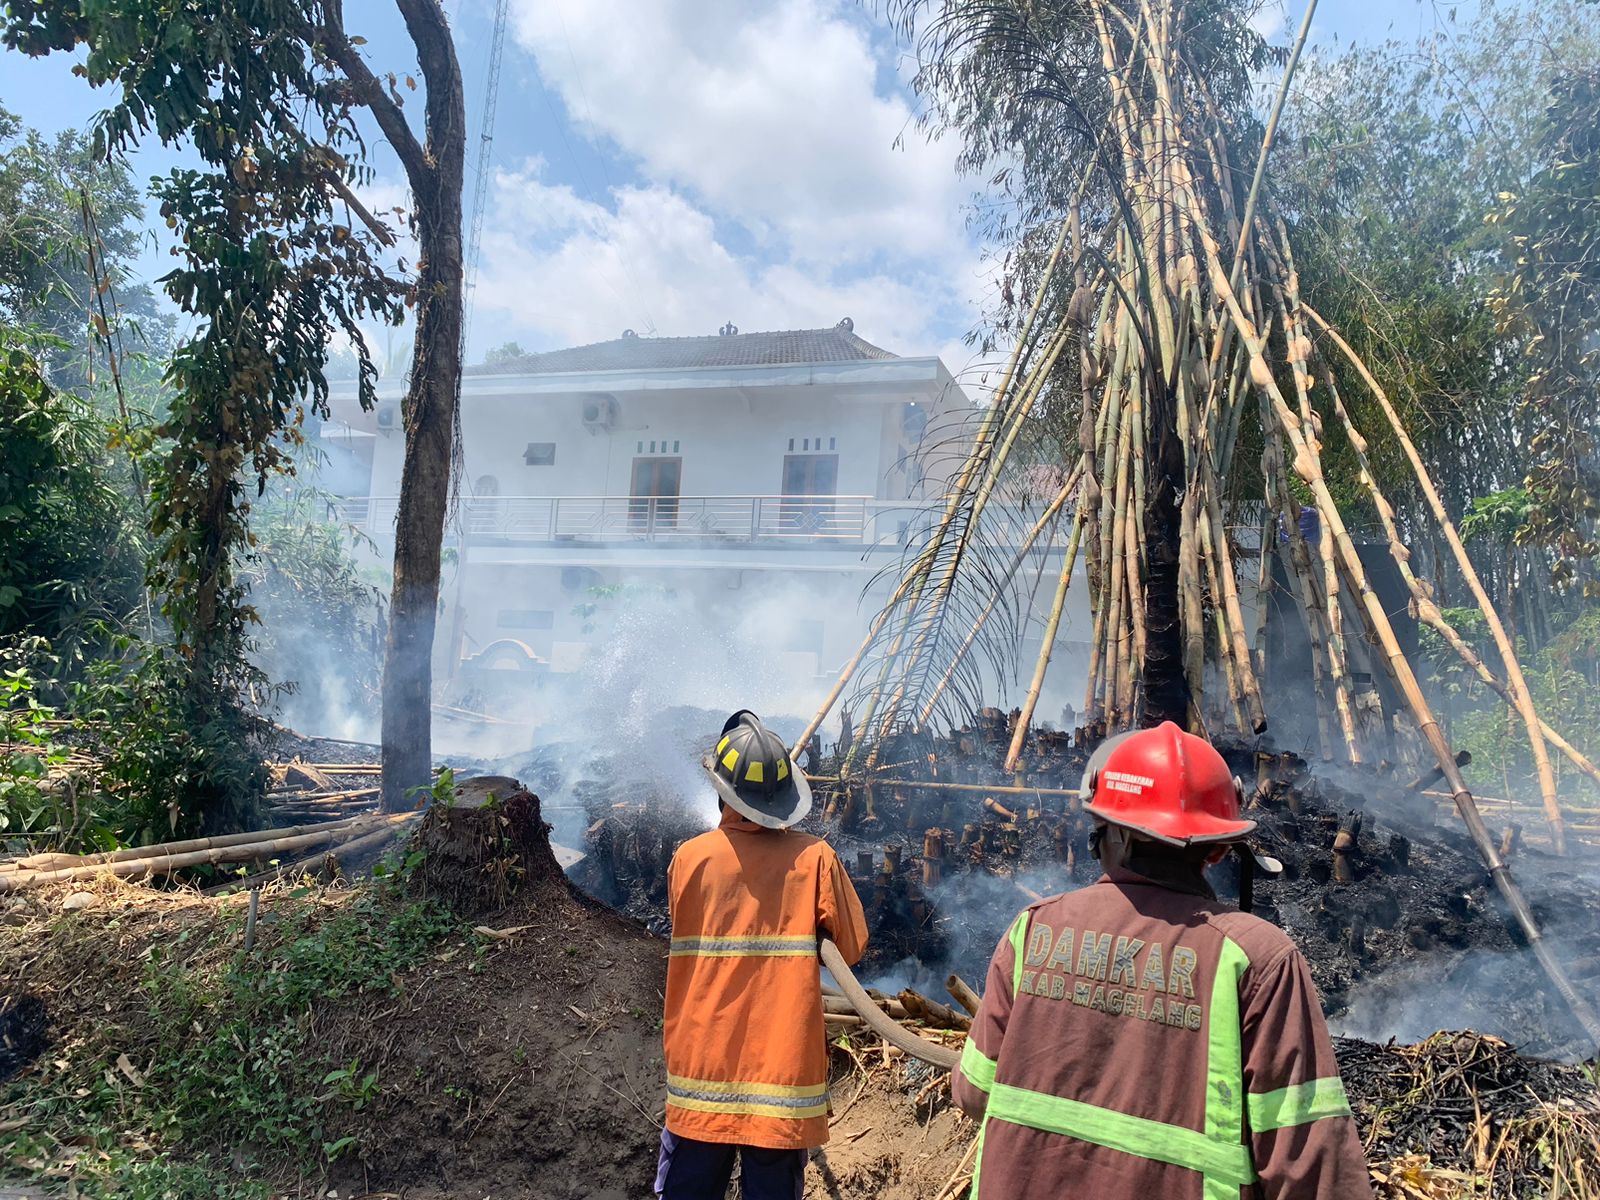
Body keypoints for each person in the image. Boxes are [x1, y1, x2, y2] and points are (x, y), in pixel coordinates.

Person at [953, 721, 1374, 1200]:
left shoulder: (1032, 930)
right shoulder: (1258, 959)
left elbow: (973, 1092)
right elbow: (1313, 1172)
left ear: (1111, 833)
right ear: (1220, 847)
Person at [656, 710, 869, 1200]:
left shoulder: (689, 859)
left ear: (722, 792)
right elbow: (852, 947)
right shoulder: (815, 859)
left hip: (702, 1075)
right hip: (781, 1082)